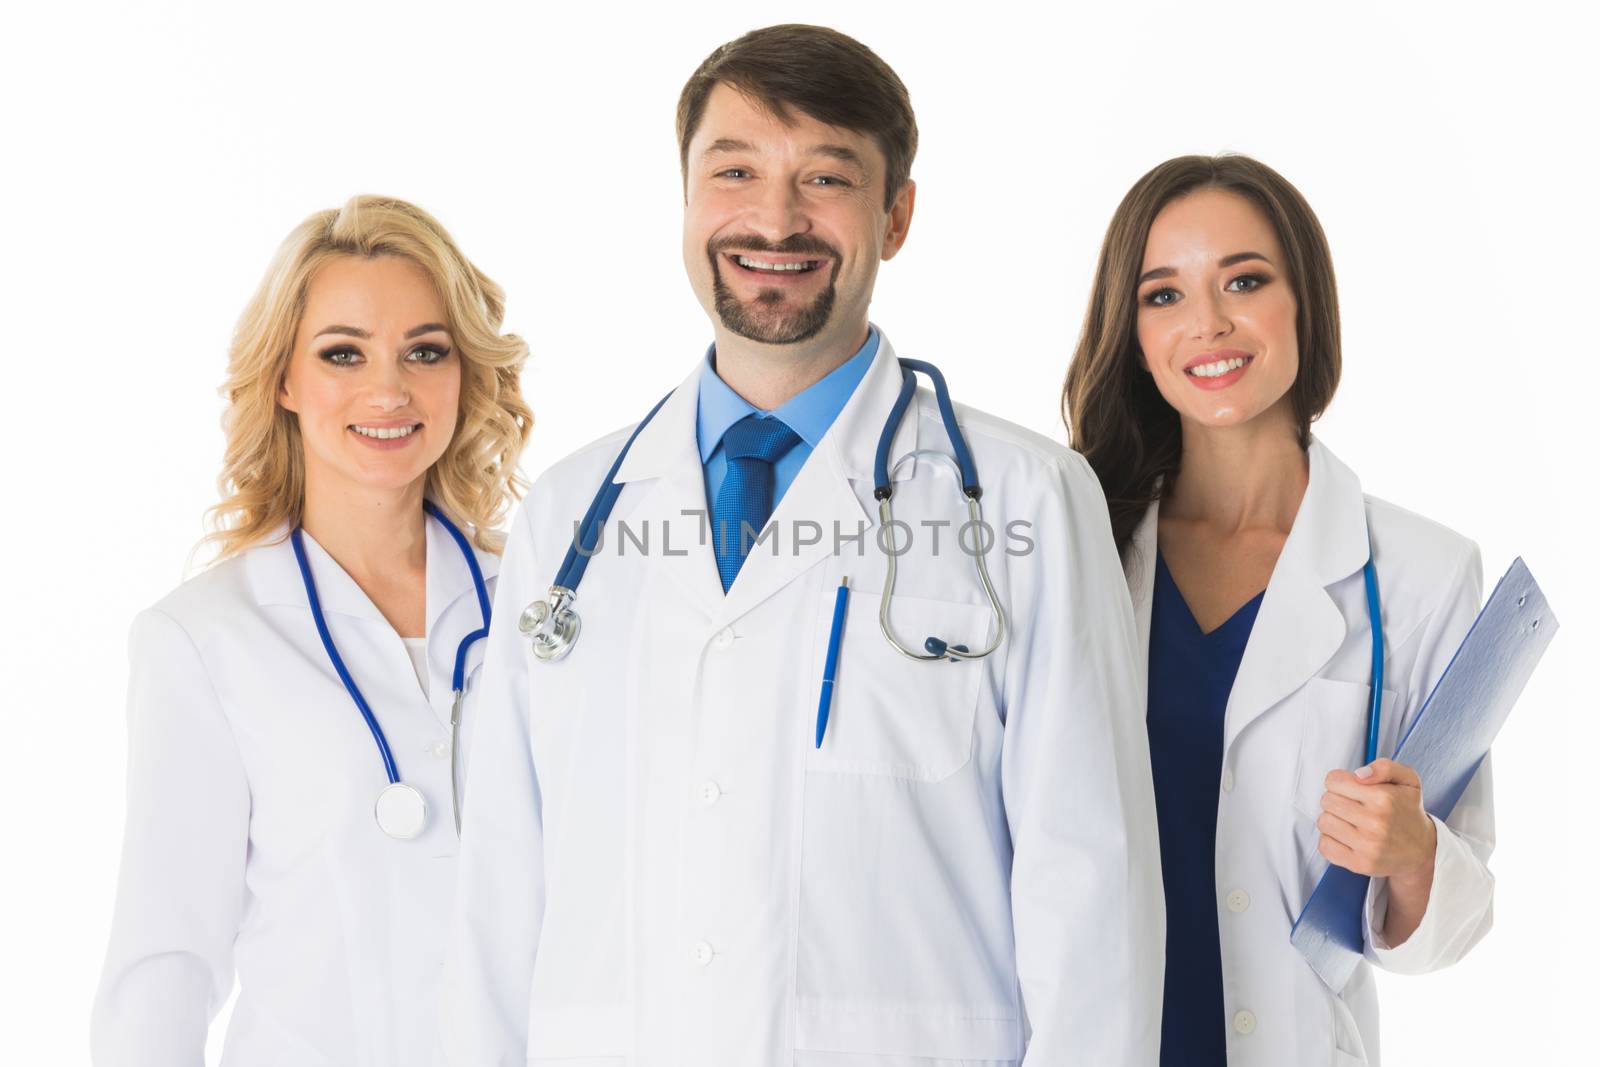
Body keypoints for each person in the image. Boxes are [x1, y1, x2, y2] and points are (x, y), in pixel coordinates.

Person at [440, 23, 1163, 1067]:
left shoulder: (1029, 500)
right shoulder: (568, 515)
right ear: (686, 197)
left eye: (825, 177)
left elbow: (1091, 898)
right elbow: (500, 894)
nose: (773, 218)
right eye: (733, 171)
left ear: (896, 214)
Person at [1064, 154, 1494, 1066]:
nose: (1209, 323)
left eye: (1244, 281)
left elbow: (1447, 922)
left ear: (1304, 301)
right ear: (1132, 332)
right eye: (1163, 296)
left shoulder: (1422, 575)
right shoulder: (1073, 548)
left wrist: (1413, 851)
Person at [91, 195, 533, 1066]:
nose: (389, 389)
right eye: (343, 353)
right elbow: (166, 962)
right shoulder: (205, 638)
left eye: (425, 350)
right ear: (285, 381)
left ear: (464, 373)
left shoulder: (537, 603)